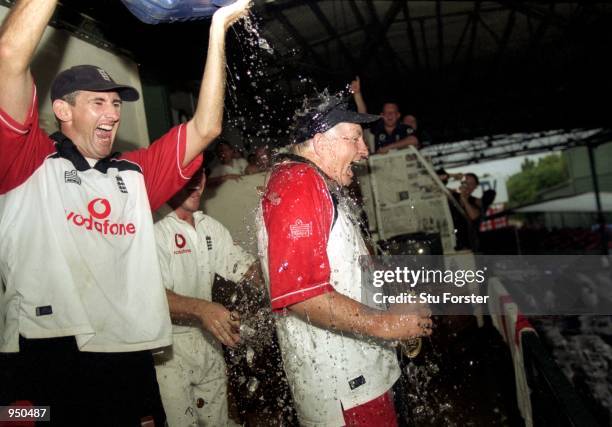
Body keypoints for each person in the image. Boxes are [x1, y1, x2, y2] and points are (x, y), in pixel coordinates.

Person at [0, 0, 250, 425]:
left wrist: (218, 29)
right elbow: (8, 55)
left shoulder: (134, 175)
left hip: (126, 354)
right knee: (26, 420)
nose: (113, 114)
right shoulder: (26, 161)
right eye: (98, 103)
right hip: (43, 352)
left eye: (116, 105)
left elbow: (206, 128)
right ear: (63, 110)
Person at [257, 96, 433, 426]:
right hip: (346, 386)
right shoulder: (299, 184)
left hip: (360, 375)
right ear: (321, 142)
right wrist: (386, 323)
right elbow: (301, 294)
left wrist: (390, 293)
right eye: (353, 138)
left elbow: (343, 263)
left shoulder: (316, 184)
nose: (364, 151)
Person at [154, 166, 259, 427]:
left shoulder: (208, 227)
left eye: (198, 175)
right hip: (167, 351)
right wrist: (203, 310)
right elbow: (154, 297)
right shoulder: (154, 229)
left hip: (209, 342)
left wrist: (285, 271)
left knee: (218, 423)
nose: (193, 184)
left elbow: (247, 270)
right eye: (183, 175)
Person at [350, 77, 418, 154]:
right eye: (387, 113)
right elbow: (363, 117)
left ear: (398, 115)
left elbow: (414, 140)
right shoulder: (375, 128)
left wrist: (387, 148)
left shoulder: (404, 128)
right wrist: (357, 94)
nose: (389, 115)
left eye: (392, 113)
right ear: (382, 115)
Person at [450, 173, 482, 250]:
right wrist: (452, 176)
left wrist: (464, 199)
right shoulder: (452, 196)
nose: (467, 186)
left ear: (475, 187)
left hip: (467, 243)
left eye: (471, 184)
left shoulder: (476, 201)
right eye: (465, 183)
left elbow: (474, 216)